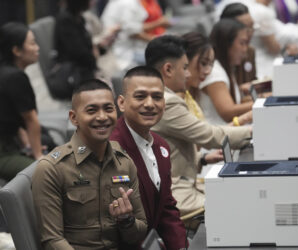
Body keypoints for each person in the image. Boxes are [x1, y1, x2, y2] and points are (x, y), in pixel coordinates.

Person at [32, 79, 147, 249]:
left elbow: (140, 231)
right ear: (74, 117)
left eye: (108, 109)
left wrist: (126, 221)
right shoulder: (52, 168)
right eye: (92, 110)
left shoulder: (123, 163)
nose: (102, 117)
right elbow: (52, 240)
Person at [145, 35, 252, 215]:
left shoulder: (169, 96)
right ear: (168, 69)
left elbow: (167, 152)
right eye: (185, 68)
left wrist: (201, 159)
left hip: (184, 183)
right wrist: (252, 131)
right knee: (240, 205)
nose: (188, 74)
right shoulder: (166, 101)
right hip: (178, 194)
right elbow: (209, 136)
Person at [110, 66, 188, 249]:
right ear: (121, 103)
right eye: (140, 96)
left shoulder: (161, 146)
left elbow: (166, 209)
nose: (150, 104)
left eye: (157, 97)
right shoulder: (110, 150)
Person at [0, 22, 42, 181]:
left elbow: (12, 118)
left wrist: (27, 145)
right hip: (4, 152)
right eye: (32, 43)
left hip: (11, 144)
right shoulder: (16, 77)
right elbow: (30, 119)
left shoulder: (6, 73)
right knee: (44, 172)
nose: (37, 47)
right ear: (16, 50)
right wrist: (38, 156)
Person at [198, 19, 253, 125]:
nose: (245, 49)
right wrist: (261, 103)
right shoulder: (215, 72)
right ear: (226, 44)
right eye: (242, 43)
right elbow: (228, 112)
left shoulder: (226, 67)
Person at [101, 0, 170, 70]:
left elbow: (135, 27)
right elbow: (132, 31)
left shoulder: (128, 2)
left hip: (124, 48)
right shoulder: (127, 3)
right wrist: (156, 39)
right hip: (122, 52)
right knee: (163, 59)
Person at [220, 2, 257, 96]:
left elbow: (252, 82)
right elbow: (227, 109)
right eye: (245, 28)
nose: (250, 33)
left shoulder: (250, 51)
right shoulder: (215, 59)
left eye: (252, 27)